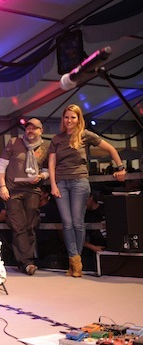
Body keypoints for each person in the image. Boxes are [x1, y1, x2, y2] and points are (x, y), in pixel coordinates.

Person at [48, 104, 126, 277]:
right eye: (66, 117)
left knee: (77, 222)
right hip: (60, 183)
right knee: (67, 223)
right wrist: (53, 185)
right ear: (63, 119)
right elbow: (51, 164)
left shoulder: (85, 135)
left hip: (79, 181)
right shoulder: (56, 139)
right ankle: (74, 261)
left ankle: (76, 263)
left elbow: (111, 148)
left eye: (73, 117)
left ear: (79, 119)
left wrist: (121, 167)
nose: (69, 120)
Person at [0, 118, 49, 275]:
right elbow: (1, 165)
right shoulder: (14, 142)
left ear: (41, 131)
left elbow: (48, 169)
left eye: (34, 128)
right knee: (18, 225)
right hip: (13, 190)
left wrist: (42, 176)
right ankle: (26, 262)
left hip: (33, 190)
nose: (30, 130)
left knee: (31, 225)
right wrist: (2, 186)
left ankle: (26, 261)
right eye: (28, 128)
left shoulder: (45, 147)